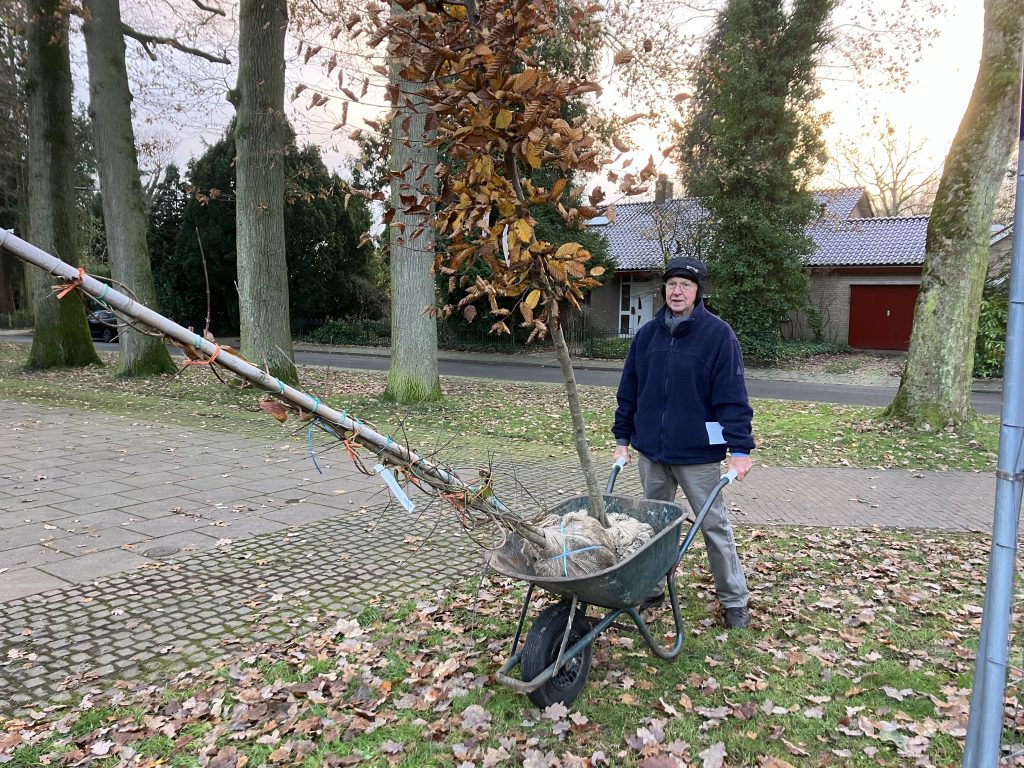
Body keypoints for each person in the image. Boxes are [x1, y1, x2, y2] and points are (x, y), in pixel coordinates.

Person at [612, 256, 754, 629]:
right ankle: (655, 586)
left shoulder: (718, 336)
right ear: (665, 289)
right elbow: (629, 393)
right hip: (652, 455)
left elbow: (732, 397)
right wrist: (622, 440)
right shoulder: (646, 336)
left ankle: (735, 600)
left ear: (698, 291)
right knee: (654, 527)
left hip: (697, 456)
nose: (677, 291)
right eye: (672, 284)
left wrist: (739, 450)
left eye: (685, 285)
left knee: (713, 527)